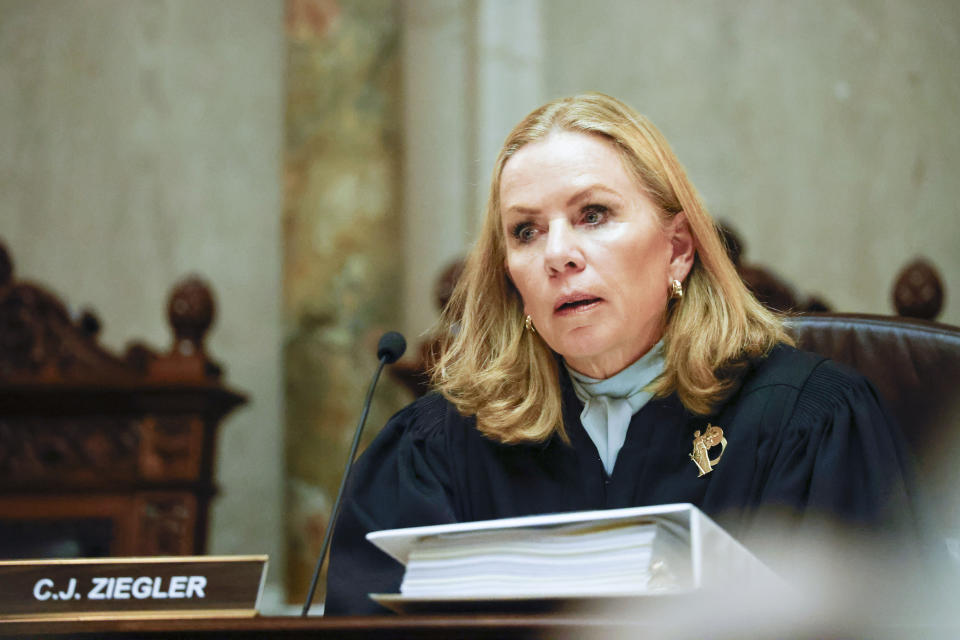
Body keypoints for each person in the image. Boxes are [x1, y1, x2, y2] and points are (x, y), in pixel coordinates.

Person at [323, 93, 916, 615]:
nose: (559, 254)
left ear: (678, 249)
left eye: (594, 215)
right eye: (526, 231)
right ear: (510, 277)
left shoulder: (810, 423)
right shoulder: (437, 449)